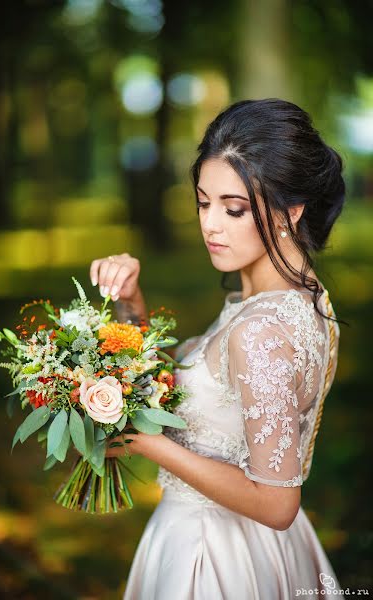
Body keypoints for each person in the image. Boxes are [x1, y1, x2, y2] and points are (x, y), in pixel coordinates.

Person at [89, 99, 344, 599]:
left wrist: (147, 444)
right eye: (204, 203)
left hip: (214, 558)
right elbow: (208, 402)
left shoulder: (261, 330)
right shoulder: (293, 301)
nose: (210, 225)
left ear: (292, 211)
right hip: (260, 551)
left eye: (234, 209)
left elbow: (276, 503)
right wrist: (130, 305)